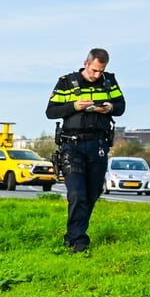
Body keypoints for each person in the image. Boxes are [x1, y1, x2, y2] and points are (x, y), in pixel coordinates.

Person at [46, 48, 125, 253]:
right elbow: (51, 111)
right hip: (72, 146)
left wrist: (109, 108)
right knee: (76, 193)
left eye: (101, 71)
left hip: (98, 144)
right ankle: (78, 240)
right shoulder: (66, 82)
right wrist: (75, 106)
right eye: (94, 70)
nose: (97, 75)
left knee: (92, 193)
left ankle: (73, 235)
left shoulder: (109, 82)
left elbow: (121, 106)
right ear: (86, 64)